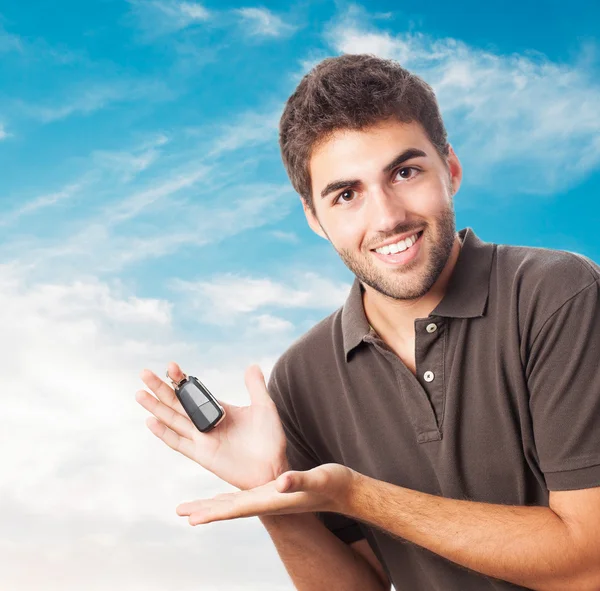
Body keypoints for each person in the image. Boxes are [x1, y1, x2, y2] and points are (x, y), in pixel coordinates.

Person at [136, 54, 600, 590]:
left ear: (450, 168)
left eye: (405, 172)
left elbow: (590, 561)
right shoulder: (302, 378)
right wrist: (274, 493)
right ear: (315, 217)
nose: (386, 218)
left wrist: (357, 494)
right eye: (347, 194)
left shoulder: (557, 295)